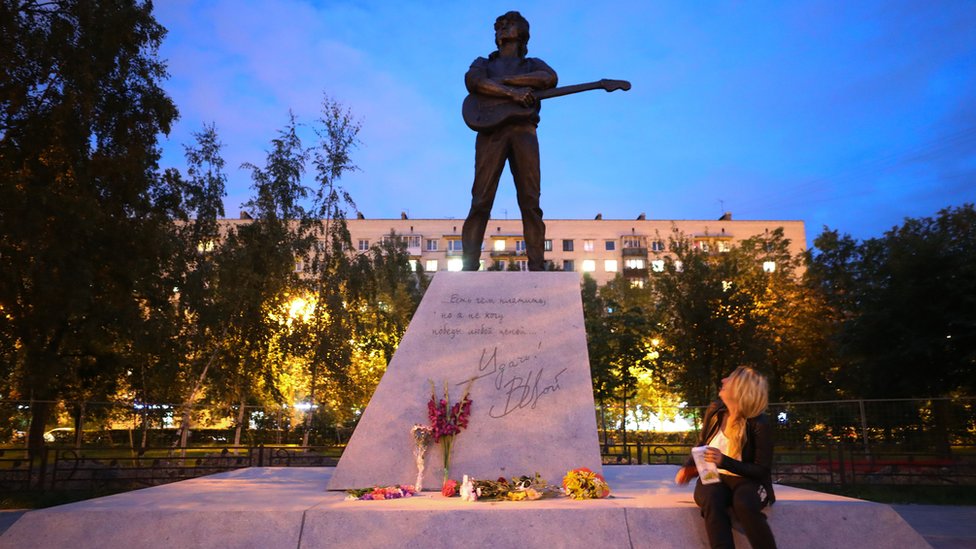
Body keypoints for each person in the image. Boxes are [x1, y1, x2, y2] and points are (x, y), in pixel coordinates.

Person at [461, 11, 557, 271]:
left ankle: (537, 267)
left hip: (524, 132)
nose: (502, 28)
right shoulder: (483, 63)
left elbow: (549, 79)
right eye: (499, 26)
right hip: (490, 132)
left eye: (509, 24)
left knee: (530, 201)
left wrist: (502, 83)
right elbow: (473, 81)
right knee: (480, 200)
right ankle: (468, 267)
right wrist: (512, 93)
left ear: (522, 33)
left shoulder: (532, 64)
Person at [675, 366, 777, 549]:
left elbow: (761, 469)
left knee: (744, 503)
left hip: (747, 480)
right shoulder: (715, 411)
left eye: (729, 379)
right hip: (713, 476)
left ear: (740, 389)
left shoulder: (759, 423)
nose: (723, 380)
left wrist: (724, 461)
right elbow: (702, 443)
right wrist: (688, 469)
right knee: (712, 498)